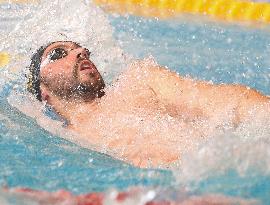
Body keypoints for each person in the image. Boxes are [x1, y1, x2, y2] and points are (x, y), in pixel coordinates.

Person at [27, 41, 269, 168]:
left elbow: (231, 103)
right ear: (43, 91)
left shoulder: (139, 83)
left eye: (80, 47)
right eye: (59, 54)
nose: (81, 51)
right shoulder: (60, 140)